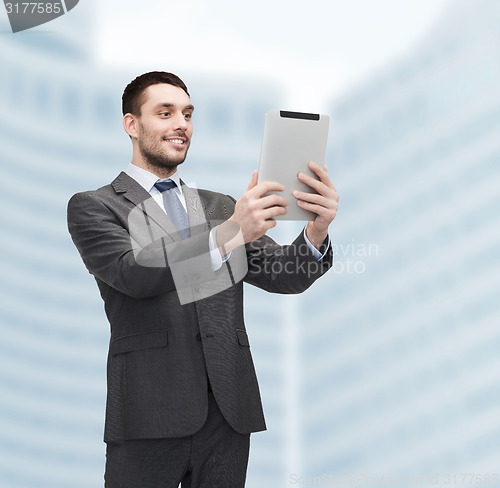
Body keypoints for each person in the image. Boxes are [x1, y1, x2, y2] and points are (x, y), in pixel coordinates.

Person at [67, 71, 339, 488]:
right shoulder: (95, 206)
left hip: (228, 414)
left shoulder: (221, 206)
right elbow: (133, 273)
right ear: (131, 125)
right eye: (165, 112)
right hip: (149, 413)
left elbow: (285, 275)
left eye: (188, 114)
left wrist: (316, 231)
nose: (182, 123)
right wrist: (231, 231)